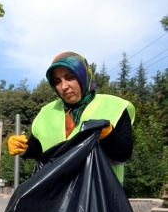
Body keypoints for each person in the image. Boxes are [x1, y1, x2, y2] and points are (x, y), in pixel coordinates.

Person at [8, 52, 134, 183]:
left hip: (97, 197)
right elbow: (39, 148)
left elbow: (124, 154)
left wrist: (109, 136)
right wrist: (23, 148)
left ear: (83, 75)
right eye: (57, 81)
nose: (63, 86)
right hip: (56, 196)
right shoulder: (47, 112)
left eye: (70, 77)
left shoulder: (114, 107)